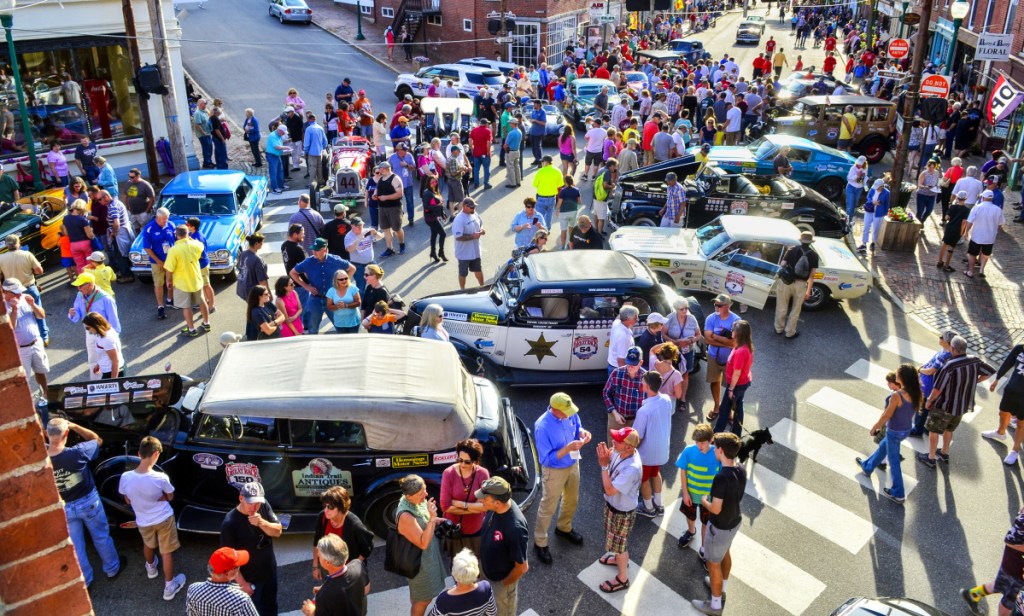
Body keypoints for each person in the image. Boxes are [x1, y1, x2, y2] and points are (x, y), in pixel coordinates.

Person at [46, 418, 123, 588]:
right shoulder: (78, 452)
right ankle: (112, 568)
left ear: (47, 434)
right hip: (88, 502)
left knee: (77, 546)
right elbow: (97, 440)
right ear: (66, 433)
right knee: (101, 535)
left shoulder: (42, 459)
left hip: (64, 506)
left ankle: (86, 580)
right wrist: (74, 425)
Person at [118, 436, 187, 601]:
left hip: (143, 520)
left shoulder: (125, 477)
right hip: (163, 518)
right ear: (156, 454)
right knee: (166, 552)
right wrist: (161, 497)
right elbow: (170, 496)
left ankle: (151, 568)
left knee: (148, 544)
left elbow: (127, 499)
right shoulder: (160, 478)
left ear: (139, 454)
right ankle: (169, 587)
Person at [917, 336, 995, 468]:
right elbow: (990, 371)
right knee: (949, 429)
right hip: (962, 406)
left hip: (944, 406)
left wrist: (929, 401)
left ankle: (930, 458)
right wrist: (974, 380)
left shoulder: (949, 366)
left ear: (952, 348)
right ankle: (944, 453)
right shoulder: (974, 360)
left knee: (933, 430)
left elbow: (938, 388)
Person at [691, 432, 745, 616]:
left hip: (719, 527)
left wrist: (704, 500)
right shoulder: (741, 469)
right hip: (734, 521)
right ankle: (721, 588)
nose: (713, 449)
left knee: (713, 564)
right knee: (725, 554)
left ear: (721, 450)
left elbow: (715, 509)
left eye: (715, 447)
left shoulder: (721, 477)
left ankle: (714, 605)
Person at [532, 393, 589, 565]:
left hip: (572, 464)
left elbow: (577, 426)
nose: (569, 414)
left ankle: (564, 528)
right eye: (566, 412)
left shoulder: (570, 413)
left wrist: (583, 433)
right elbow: (546, 459)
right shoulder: (542, 426)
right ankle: (540, 542)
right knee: (548, 505)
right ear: (555, 410)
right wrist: (568, 448)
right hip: (554, 470)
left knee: (572, 499)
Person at [856, 363, 922, 504]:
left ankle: (898, 493)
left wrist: (875, 427)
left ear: (902, 378)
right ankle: (867, 467)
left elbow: (887, 415)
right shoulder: (916, 391)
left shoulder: (897, 395)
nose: (896, 374)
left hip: (894, 431)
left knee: (894, 462)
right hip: (905, 430)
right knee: (883, 448)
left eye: (898, 372)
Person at [219, 482, 282, 616]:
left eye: (257, 503)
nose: (254, 507)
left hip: (270, 572)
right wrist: (242, 584)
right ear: (241, 498)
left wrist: (261, 523)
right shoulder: (230, 523)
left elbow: (278, 531)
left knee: (271, 607)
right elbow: (229, 560)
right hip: (250, 579)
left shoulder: (263, 505)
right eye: (250, 503)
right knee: (254, 612)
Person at [594, 427, 643, 594]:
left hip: (623, 512)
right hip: (614, 507)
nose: (613, 441)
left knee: (620, 546)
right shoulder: (619, 451)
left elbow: (609, 490)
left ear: (629, 447)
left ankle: (623, 579)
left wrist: (603, 466)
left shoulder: (632, 468)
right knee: (614, 541)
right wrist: (606, 460)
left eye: (618, 440)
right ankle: (617, 559)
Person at [475, 477, 529, 616]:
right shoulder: (496, 507)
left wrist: (502, 585)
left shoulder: (515, 529)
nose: (480, 501)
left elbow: (522, 567)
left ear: (498, 503)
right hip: (487, 572)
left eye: (484, 499)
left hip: (501, 582)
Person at [396, 475, 447, 616]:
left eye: (424, 489)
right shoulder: (405, 516)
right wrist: (431, 519)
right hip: (420, 564)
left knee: (418, 596)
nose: (425, 494)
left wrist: (437, 520)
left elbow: (422, 521)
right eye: (420, 493)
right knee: (423, 599)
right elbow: (423, 543)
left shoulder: (416, 502)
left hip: (427, 560)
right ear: (408, 496)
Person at [312, 486, 374, 593]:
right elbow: (317, 541)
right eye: (324, 505)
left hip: (347, 571)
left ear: (341, 506)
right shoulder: (323, 517)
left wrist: (348, 569)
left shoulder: (354, 525)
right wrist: (315, 565)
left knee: (350, 599)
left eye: (330, 506)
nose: (326, 510)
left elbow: (367, 548)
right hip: (327, 568)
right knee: (331, 595)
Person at [440, 439, 491, 559]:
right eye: (460, 460)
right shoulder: (448, 473)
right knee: (456, 562)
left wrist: (458, 503)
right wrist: (474, 508)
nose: (462, 465)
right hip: (454, 528)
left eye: (467, 462)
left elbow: (485, 506)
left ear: (475, 461)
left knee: (474, 561)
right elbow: (445, 506)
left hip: (475, 529)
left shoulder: (483, 474)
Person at [291, 238, 355, 334]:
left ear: (324, 250)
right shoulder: (308, 262)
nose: (314, 252)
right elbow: (293, 273)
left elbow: (352, 269)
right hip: (315, 299)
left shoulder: (335, 260)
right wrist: (306, 286)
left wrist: (343, 284)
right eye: (313, 249)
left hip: (332, 299)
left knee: (341, 326)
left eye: (317, 250)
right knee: (312, 328)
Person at [633, 371, 673, 518]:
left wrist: (631, 449)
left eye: (643, 383)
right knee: (655, 473)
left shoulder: (644, 411)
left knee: (644, 479)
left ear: (648, 386)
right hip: (662, 449)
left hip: (647, 453)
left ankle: (648, 508)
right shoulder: (667, 400)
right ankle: (659, 504)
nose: (641, 385)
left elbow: (638, 436)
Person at [675, 423, 721, 551]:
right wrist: (685, 493)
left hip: (709, 498)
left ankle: (703, 548)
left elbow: (721, 476)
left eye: (703, 443)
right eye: (697, 442)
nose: (699, 446)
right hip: (690, 494)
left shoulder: (717, 454)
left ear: (710, 440)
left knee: (706, 522)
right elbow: (683, 471)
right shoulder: (688, 451)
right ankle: (691, 531)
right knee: (690, 515)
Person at [4, 279, 49, 405]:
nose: (19, 295)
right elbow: (9, 329)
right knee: (24, 377)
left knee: (41, 371)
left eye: (19, 292)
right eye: (16, 293)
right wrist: (14, 310)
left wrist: (33, 305)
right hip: (20, 349)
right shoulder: (3, 307)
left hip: (36, 343)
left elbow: (42, 315)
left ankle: (45, 393)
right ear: (6, 292)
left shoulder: (25, 298)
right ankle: (26, 402)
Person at [163, 224, 210, 337]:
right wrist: (189, 238)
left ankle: (192, 329)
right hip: (196, 279)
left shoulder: (174, 250)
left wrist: (169, 281)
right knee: (202, 302)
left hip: (182, 282)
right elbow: (200, 247)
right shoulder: (197, 244)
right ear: (188, 234)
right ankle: (206, 323)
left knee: (186, 307)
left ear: (176, 235)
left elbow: (169, 269)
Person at [302, 535, 366, 616]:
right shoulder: (358, 564)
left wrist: (311, 611)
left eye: (320, 555)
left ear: (328, 562)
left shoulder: (324, 596)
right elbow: (366, 588)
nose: (317, 554)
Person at [0, 234, 47, 342]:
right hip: (29, 287)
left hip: (11, 292)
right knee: (37, 311)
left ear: (7, 245)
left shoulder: (1, 258)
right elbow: (39, 271)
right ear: (19, 243)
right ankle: (44, 337)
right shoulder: (27, 254)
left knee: (16, 316)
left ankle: (24, 339)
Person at [982, 343, 1024, 465]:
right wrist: (997, 379)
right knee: (1003, 412)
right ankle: (1001, 432)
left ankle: (1015, 451)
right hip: (1011, 390)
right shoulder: (1020, 348)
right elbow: (1008, 363)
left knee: (1021, 423)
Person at [186, 547, 259, 616]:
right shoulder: (241, 601)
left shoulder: (193, 589)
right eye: (237, 566)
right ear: (227, 574)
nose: (239, 568)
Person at [713, 320, 754, 436]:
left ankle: (717, 433)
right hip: (742, 383)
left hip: (736, 385)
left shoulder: (741, 351)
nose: (732, 331)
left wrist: (731, 389)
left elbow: (737, 373)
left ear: (738, 333)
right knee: (738, 407)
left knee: (724, 409)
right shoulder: (745, 346)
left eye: (733, 330)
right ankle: (736, 433)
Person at [913, 331, 958, 436]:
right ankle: (926, 428)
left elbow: (931, 371)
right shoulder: (948, 352)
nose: (940, 337)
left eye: (942, 337)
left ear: (947, 342)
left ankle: (917, 430)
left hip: (929, 384)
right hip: (933, 383)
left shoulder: (945, 356)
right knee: (929, 407)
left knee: (922, 407)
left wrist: (919, 370)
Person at [775, 231, 818, 339]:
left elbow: (782, 265)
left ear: (801, 240)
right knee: (795, 310)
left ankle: (778, 328)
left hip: (786, 282)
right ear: (810, 242)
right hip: (801, 284)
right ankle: (790, 332)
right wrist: (808, 290)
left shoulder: (791, 249)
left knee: (781, 306)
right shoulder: (814, 255)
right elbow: (812, 275)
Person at [428, 549, 497, 616]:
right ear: (476, 571)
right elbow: (492, 613)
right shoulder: (486, 588)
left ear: (454, 573)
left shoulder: (444, 600)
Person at [704, 294, 740, 422]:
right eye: (715, 304)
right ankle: (717, 407)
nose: (716, 307)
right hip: (713, 356)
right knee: (715, 382)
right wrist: (725, 341)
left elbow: (734, 343)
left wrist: (715, 336)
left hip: (730, 360)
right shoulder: (711, 318)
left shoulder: (736, 320)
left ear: (727, 306)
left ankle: (728, 411)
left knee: (730, 386)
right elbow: (707, 338)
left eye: (719, 305)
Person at [140, 208, 176, 319]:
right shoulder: (149, 229)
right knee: (159, 283)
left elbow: (176, 240)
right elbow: (146, 248)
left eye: (167, 219)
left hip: (171, 260)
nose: (166, 221)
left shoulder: (171, 225)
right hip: (157, 262)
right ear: (157, 217)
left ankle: (170, 300)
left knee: (171, 281)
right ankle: (160, 306)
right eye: (164, 219)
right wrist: (158, 261)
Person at [963, 190, 1006, 279]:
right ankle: (981, 269)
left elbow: (970, 222)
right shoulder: (997, 209)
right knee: (986, 254)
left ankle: (970, 271)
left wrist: (966, 232)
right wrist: (995, 231)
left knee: (972, 254)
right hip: (990, 237)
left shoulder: (977, 207)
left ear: (983, 198)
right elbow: (1000, 223)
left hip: (977, 236)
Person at [373, 160, 407, 257]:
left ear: (384, 169)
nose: (379, 170)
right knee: (386, 229)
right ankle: (389, 248)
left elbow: (400, 193)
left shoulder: (395, 178)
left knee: (397, 229)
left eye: (380, 168)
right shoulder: (381, 179)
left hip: (394, 208)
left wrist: (386, 197)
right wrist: (375, 195)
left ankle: (401, 244)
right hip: (382, 208)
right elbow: (377, 189)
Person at [452, 197, 485, 289]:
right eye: (471, 207)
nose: (474, 209)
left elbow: (481, 223)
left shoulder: (474, 213)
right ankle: (462, 290)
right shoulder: (459, 220)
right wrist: (472, 236)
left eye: (474, 206)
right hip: (464, 253)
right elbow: (458, 236)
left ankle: (483, 287)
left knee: (478, 269)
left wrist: (481, 230)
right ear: (465, 206)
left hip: (475, 251)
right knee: (463, 273)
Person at [83, 312, 124, 379]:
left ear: (95, 326)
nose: (88, 331)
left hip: (112, 373)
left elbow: (115, 361)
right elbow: (104, 352)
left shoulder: (107, 339)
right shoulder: (101, 333)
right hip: (108, 371)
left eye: (88, 328)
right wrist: (99, 364)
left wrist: (113, 382)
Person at [938, 190, 969, 272]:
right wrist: (962, 233)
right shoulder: (966, 210)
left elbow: (946, 218)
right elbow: (964, 222)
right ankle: (946, 265)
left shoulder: (952, 207)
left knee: (944, 244)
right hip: (957, 229)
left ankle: (940, 261)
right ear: (965, 199)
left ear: (957, 198)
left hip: (949, 228)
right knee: (951, 247)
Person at [62, 200, 93, 273]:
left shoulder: (65, 219)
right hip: (85, 243)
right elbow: (90, 235)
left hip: (73, 245)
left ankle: (83, 282)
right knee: (90, 264)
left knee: (80, 265)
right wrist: (92, 231)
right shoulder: (83, 220)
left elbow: (66, 233)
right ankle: (91, 282)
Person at [325, 269, 361, 333]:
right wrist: (337, 306)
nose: (344, 280)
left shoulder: (353, 288)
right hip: (339, 323)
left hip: (353, 322)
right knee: (342, 342)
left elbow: (358, 303)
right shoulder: (331, 291)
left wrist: (346, 305)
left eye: (346, 278)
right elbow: (329, 306)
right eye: (341, 279)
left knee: (354, 342)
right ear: (336, 280)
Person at [859, 178, 890, 253]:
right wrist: (872, 202)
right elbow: (868, 197)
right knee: (866, 226)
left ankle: (873, 243)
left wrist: (885, 213)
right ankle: (864, 243)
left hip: (879, 212)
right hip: (869, 210)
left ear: (881, 186)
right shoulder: (872, 189)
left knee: (875, 229)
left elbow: (887, 204)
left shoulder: (886, 193)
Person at [422, 175, 447, 263]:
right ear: (428, 183)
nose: (434, 184)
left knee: (434, 234)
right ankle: (441, 252)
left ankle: (433, 252)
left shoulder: (436, 191)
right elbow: (426, 207)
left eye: (435, 182)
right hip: (431, 218)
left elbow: (439, 204)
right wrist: (437, 207)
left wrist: (442, 213)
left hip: (436, 216)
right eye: (432, 182)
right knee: (443, 234)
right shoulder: (427, 193)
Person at [607, 305, 639, 373]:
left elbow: (618, 317)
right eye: (635, 318)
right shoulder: (624, 336)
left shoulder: (616, 323)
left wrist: (625, 307)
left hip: (612, 367)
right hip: (619, 370)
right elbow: (621, 360)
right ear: (627, 318)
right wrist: (627, 375)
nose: (637, 320)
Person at [845, 156, 868, 220]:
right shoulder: (853, 168)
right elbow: (849, 178)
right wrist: (857, 176)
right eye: (858, 163)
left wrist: (865, 183)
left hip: (859, 188)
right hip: (851, 188)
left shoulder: (865, 168)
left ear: (864, 163)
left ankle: (850, 220)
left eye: (861, 164)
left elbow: (864, 177)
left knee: (855, 205)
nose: (859, 165)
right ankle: (848, 221)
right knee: (850, 206)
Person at [503, 117, 523, 188]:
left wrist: (505, 148)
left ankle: (512, 183)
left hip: (510, 152)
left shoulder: (511, 133)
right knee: (517, 166)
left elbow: (506, 144)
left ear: (512, 124)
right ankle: (518, 181)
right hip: (517, 150)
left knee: (510, 167)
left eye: (510, 123)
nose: (510, 124)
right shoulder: (519, 131)